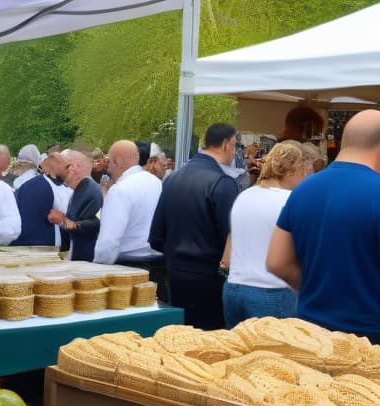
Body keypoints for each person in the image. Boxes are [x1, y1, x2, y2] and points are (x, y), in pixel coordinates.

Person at [267, 109, 380, 342]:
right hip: (370, 335)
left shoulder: (302, 190)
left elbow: (276, 262)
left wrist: (317, 287)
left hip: (313, 329)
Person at [149, 123, 240, 330]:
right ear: (226, 144)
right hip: (210, 279)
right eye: (235, 146)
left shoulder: (173, 178)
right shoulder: (223, 183)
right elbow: (230, 239)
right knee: (209, 346)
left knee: (181, 338)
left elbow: (156, 235)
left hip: (175, 274)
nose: (235, 152)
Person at [221, 143, 307, 328]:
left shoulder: (245, 195)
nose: (304, 177)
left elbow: (232, 239)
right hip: (272, 290)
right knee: (275, 355)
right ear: (291, 170)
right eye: (302, 171)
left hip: (234, 287)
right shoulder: (290, 200)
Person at [93, 141, 163, 281]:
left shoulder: (120, 190)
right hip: (158, 266)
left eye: (108, 161)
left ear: (117, 161)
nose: (108, 167)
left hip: (127, 269)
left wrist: (96, 273)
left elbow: (108, 244)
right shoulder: (156, 183)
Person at [49, 149, 102, 261]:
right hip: (79, 253)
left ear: (72, 167)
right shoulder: (80, 189)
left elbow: (96, 222)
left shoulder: (88, 187)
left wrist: (64, 221)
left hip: (86, 256)